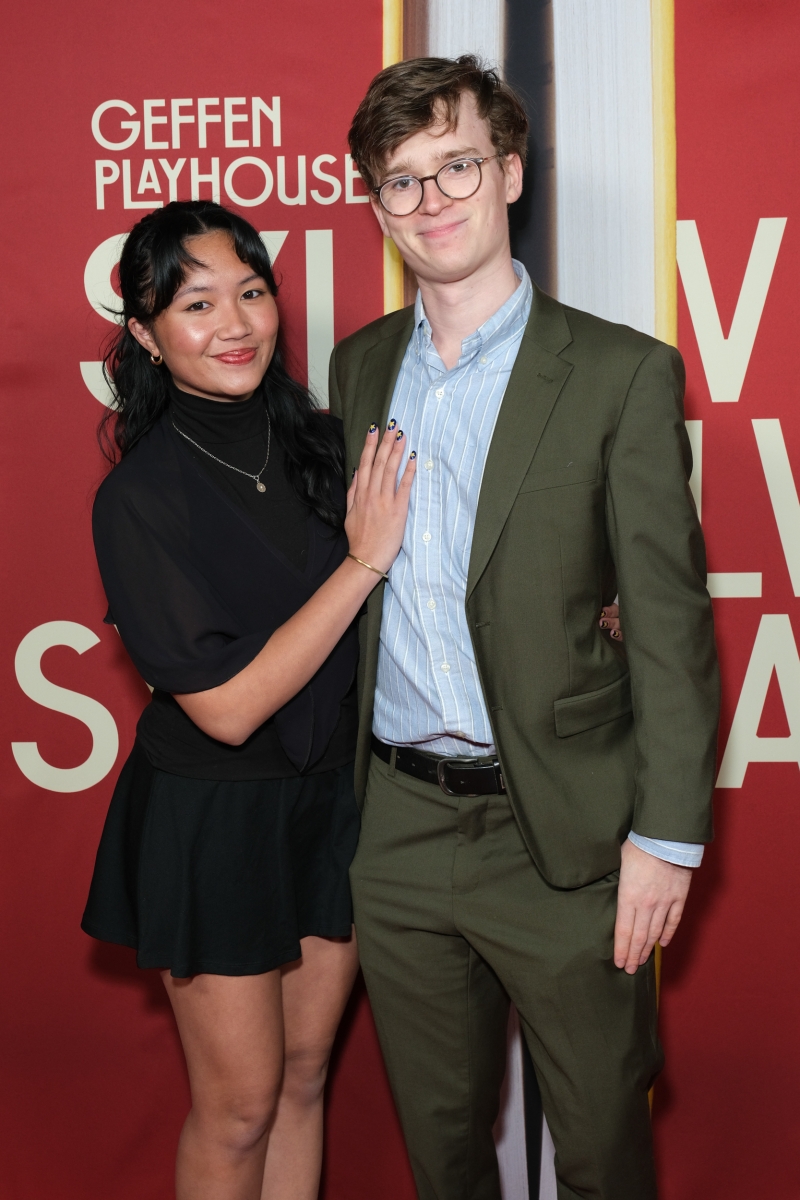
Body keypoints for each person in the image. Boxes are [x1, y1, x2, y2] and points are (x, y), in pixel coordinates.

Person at [330, 56, 720, 1199]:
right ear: (376, 205)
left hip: (562, 832)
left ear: (507, 173)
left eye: (455, 164)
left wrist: (665, 840)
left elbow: (669, 627)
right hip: (396, 829)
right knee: (441, 1160)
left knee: (599, 1155)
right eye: (399, 179)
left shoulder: (617, 374)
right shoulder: (356, 369)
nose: (430, 199)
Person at [81, 200, 415, 1200]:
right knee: (238, 1107)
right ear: (146, 335)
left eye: (251, 292)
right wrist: (362, 564)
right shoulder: (139, 498)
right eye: (196, 304)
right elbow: (224, 708)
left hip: (332, 799)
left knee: (305, 1077)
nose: (235, 324)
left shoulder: (329, 446)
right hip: (215, 817)